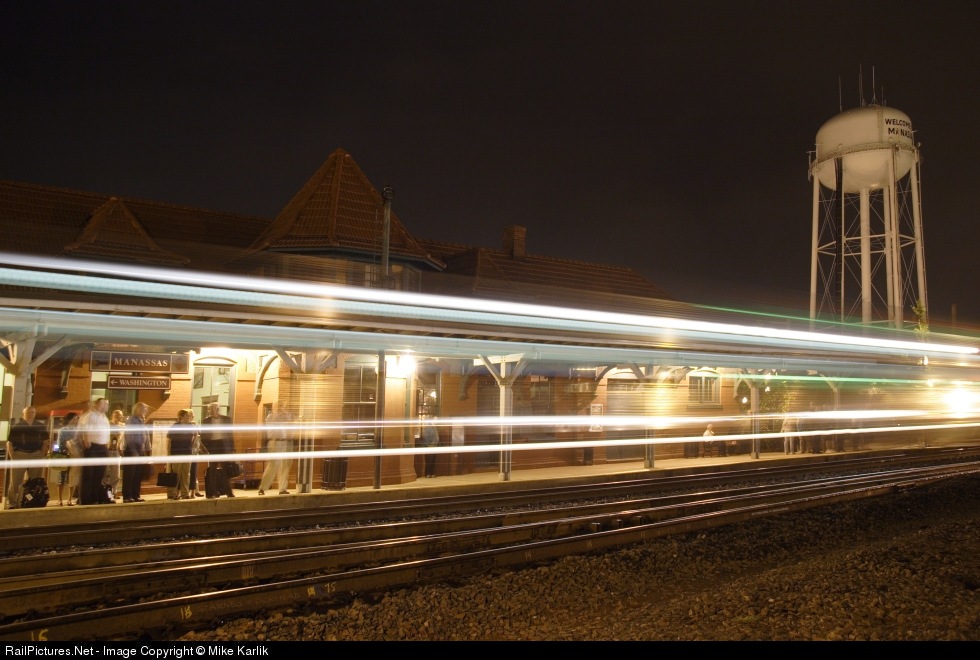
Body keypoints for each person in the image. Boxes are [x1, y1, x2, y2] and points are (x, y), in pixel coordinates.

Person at [4, 406, 50, 509]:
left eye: (33, 412)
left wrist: (42, 454)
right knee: (16, 481)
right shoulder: (17, 426)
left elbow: (45, 441)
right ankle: (12, 503)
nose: (30, 414)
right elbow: (10, 443)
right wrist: (13, 456)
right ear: (23, 414)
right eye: (28, 412)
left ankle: (32, 501)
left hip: (36, 454)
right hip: (20, 454)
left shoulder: (40, 426)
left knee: (35, 481)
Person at [77, 398, 115, 505]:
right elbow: (85, 430)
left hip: (103, 447)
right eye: (105, 404)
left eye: (108, 404)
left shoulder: (105, 418)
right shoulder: (91, 415)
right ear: (99, 404)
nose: (107, 406)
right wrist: (87, 442)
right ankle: (86, 499)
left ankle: (95, 497)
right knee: (89, 474)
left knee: (99, 474)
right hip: (93, 447)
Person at [258, 401, 294, 495]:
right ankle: (262, 488)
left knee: (285, 467)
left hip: (286, 442)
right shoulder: (271, 417)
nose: (282, 408)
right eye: (280, 406)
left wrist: (287, 417)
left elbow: (291, 426)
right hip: (275, 442)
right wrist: (280, 416)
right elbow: (273, 429)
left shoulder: (287, 416)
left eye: (283, 406)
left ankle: (282, 489)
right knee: (273, 465)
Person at [200, 402, 235, 498]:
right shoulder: (205, 421)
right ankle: (213, 492)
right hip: (213, 445)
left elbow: (230, 434)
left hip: (224, 445)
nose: (211, 411)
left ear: (218, 409)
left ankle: (229, 492)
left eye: (213, 408)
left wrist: (232, 448)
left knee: (226, 469)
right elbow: (203, 436)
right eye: (209, 409)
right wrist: (207, 448)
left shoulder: (226, 419)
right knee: (212, 470)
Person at [122, 402, 152, 503]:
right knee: (130, 474)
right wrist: (134, 452)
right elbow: (129, 437)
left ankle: (136, 494)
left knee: (138, 474)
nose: (145, 411)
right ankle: (127, 496)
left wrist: (147, 451)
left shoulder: (141, 421)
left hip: (140, 449)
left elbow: (145, 436)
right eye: (143, 409)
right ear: (137, 409)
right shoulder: (131, 421)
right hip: (132, 449)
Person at [166, 409, 196, 500]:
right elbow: (169, 440)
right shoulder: (175, 426)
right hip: (176, 453)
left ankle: (185, 493)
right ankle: (172, 494)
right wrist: (168, 453)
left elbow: (194, 436)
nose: (189, 417)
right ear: (181, 417)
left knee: (186, 474)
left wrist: (191, 446)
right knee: (176, 474)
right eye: (187, 416)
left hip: (187, 452)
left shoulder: (191, 426)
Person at [51, 411, 79, 506]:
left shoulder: (78, 430)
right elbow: (59, 443)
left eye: (76, 419)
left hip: (74, 455)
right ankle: (60, 499)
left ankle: (70, 498)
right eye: (74, 419)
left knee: (72, 477)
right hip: (64, 455)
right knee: (61, 477)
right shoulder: (63, 430)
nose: (75, 421)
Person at [106, 409, 126, 500]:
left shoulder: (123, 426)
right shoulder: (108, 425)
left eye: (121, 416)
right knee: (106, 473)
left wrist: (122, 449)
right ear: (113, 416)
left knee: (116, 474)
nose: (120, 417)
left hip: (117, 451)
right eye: (118, 416)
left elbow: (123, 439)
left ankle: (114, 492)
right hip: (108, 451)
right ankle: (107, 493)